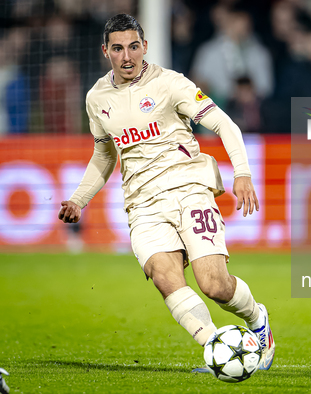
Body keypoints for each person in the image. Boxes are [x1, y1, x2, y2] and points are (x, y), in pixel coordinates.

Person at [57, 14, 275, 371]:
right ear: (105, 51)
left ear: (145, 46)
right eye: (117, 48)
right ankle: (217, 347)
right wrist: (80, 199)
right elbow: (104, 153)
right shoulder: (97, 98)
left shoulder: (171, 83)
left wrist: (243, 173)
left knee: (214, 284)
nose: (127, 56)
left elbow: (224, 123)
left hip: (188, 190)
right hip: (142, 202)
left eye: (133, 46)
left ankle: (257, 319)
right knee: (164, 276)